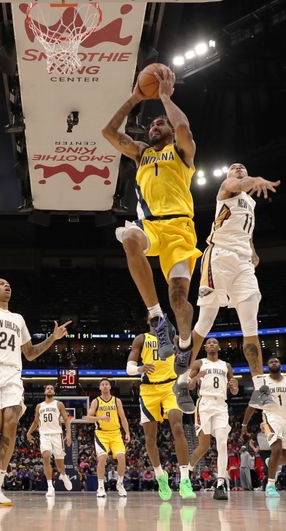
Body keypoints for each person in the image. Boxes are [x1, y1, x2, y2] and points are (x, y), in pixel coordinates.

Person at [102, 65, 201, 367]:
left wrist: (166, 98)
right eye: (152, 124)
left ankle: (184, 341)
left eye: (161, 123)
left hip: (180, 230)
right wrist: (134, 98)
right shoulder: (141, 153)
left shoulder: (182, 152)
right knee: (129, 236)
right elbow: (108, 132)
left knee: (179, 298)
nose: (155, 125)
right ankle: (157, 318)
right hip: (151, 227)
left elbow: (183, 129)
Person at [173, 162, 279, 414]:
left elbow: (248, 232)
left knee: (250, 325)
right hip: (218, 256)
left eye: (243, 166)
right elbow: (237, 184)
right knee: (206, 321)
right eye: (234, 167)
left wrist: (253, 253)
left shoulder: (250, 203)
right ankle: (182, 381)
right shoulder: (227, 188)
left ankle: (259, 388)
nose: (239, 168)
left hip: (243, 263)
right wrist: (254, 178)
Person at [0, 278, 70, 506]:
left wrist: (52, 338)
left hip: (12, 376)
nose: (7, 285)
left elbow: (29, 353)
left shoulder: (18, 319)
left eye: (9, 284)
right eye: (1, 283)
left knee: (11, 425)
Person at [125, 318, 193, 500]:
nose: (155, 317)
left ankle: (185, 480)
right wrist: (139, 368)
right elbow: (129, 367)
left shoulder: (174, 338)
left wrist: (184, 381)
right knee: (149, 438)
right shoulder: (141, 338)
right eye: (151, 315)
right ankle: (161, 476)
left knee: (177, 427)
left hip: (171, 387)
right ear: (147, 319)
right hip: (148, 390)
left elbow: (186, 360)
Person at [184, 338, 238, 500]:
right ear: (206, 347)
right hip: (205, 404)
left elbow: (234, 391)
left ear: (219, 347)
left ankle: (220, 485)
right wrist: (196, 377)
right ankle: (187, 472)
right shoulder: (199, 363)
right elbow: (190, 386)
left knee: (222, 443)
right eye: (209, 342)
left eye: (215, 342)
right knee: (204, 446)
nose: (212, 344)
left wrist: (234, 387)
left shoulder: (226, 365)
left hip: (221, 405)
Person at [242, 357, 286, 499]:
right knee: (276, 448)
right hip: (271, 417)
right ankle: (270, 485)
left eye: (276, 361)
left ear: (280, 364)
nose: (274, 362)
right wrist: (244, 424)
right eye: (271, 362)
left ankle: (272, 462)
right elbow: (252, 405)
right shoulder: (263, 382)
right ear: (267, 366)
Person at [84, 379, 131, 498]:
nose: (104, 386)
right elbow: (87, 418)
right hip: (101, 434)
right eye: (102, 385)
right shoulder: (96, 401)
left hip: (115, 433)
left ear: (110, 387)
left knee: (121, 457)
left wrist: (127, 433)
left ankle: (120, 484)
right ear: (99, 388)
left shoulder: (116, 400)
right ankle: (100, 487)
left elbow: (123, 418)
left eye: (106, 384)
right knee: (102, 458)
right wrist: (100, 418)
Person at [26, 384, 74, 498]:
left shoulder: (59, 404)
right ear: (44, 391)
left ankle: (63, 475)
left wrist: (68, 434)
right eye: (47, 388)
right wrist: (28, 433)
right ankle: (50, 487)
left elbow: (66, 420)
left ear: (54, 392)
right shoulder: (39, 406)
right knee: (46, 456)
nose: (49, 389)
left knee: (59, 464)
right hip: (44, 435)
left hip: (57, 435)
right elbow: (36, 422)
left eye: (51, 388)